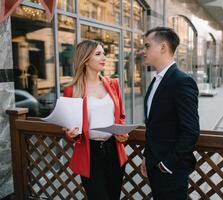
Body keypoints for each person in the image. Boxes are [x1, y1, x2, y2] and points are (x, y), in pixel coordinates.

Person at [62, 39, 128, 200]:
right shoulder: (72, 89)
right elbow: (70, 129)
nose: (104, 57)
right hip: (89, 153)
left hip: (113, 150)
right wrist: (71, 134)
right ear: (85, 59)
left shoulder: (113, 84)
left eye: (103, 53)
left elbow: (121, 117)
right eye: (98, 54)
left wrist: (122, 133)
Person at [140, 27, 200, 200]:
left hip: (171, 171)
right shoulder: (156, 81)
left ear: (163, 47)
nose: (143, 51)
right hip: (155, 166)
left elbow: (191, 131)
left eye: (147, 46)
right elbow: (154, 125)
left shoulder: (182, 82)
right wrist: (147, 156)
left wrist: (167, 164)